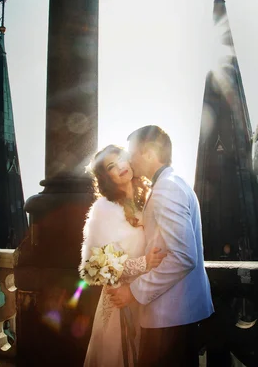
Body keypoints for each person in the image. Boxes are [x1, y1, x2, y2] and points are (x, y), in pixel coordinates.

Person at [108, 125, 214, 367]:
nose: (129, 160)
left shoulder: (167, 188)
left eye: (132, 153)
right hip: (176, 317)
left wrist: (134, 291)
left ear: (148, 152)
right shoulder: (172, 183)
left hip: (170, 319)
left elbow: (184, 257)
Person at [80, 144, 167, 367]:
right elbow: (96, 267)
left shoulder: (146, 200)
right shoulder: (103, 209)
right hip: (120, 304)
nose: (119, 166)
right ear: (105, 177)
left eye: (120, 159)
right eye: (111, 166)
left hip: (148, 298)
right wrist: (143, 263)